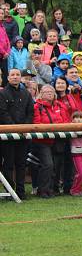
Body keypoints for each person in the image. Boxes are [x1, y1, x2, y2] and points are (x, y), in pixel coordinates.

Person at [0, 68, 34, 198]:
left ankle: (20, 191)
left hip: (23, 136)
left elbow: (30, 112)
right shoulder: (2, 94)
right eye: (12, 75)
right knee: (8, 164)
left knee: (21, 164)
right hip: (8, 136)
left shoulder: (26, 94)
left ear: (21, 77)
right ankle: (10, 191)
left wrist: (24, 127)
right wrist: (15, 128)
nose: (15, 77)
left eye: (17, 75)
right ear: (8, 78)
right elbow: (3, 113)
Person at [32, 85, 70, 198]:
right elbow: (36, 124)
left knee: (56, 166)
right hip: (42, 141)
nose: (49, 93)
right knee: (48, 164)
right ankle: (43, 190)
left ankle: (51, 188)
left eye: (51, 91)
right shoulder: (37, 107)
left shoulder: (60, 106)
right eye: (46, 91)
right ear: (41, 94)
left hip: (57, 140)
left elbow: (66, 121)